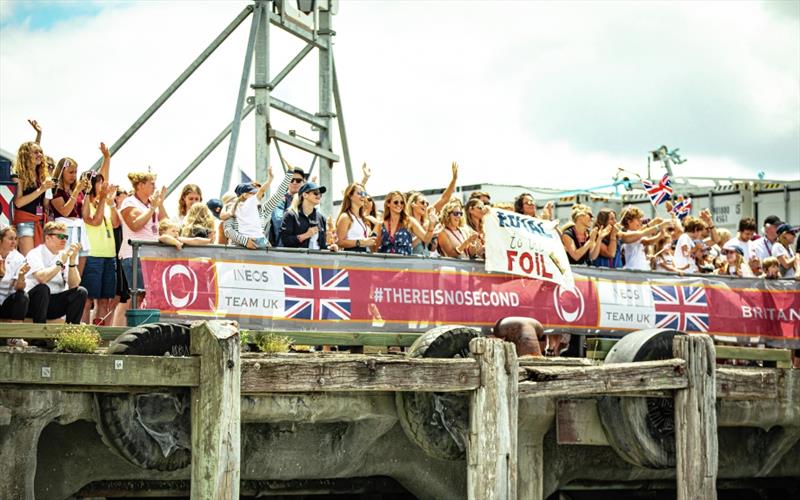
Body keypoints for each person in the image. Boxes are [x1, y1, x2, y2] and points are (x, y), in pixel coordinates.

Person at [24, 222, 88, 324]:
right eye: (60, 236)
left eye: (66, 237)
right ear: (47, 238)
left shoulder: (63, 255)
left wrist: (71, 262)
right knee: (43, 289)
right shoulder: (35, 253)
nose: (64, 240)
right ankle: (39, 338)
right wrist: (60, 263)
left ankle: (72, 333)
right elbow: (42, 279)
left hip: (53, 303)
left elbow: (74, 284)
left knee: (81, 292)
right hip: (33, 304)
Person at [81, 167, 120, 325]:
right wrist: (104, 198)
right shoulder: (86, 204)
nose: (104, 186)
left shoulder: (105, 204)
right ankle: (82, 334)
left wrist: (111, 204)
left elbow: (116, 224)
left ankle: (99, 338)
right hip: (93, 255)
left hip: (109, 255)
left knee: (104, 300)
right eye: (100, 183)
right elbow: (94, 221)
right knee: (87, 299)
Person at [119, 172, 168, 295]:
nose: (155, 187)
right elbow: (135, 225)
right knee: (139, 297)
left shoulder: (152, 203)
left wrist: (160, 204)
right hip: (134, 255)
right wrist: (152, 208)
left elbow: (166, 225)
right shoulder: (129, 202)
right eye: (151, 184)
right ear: (140, 185)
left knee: (149, 297)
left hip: (151, 256)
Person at [11, 141, 54, 255]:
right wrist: (41, 189)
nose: (40, 154)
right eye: (36, 152)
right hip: (25, 223)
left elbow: (45, 204)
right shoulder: (18, 176)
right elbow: (18, 203)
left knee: (38, 262)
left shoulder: (40, 176)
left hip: (39, 222)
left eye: (41, 152)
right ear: (26, 155)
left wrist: (48, 190)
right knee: (29, 262)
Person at [51, 156, 92, 266]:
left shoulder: (76, 190)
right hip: (65, 230)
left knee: (78, 271)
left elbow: (85, 214)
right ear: (61, 171)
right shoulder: (55, 190)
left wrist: (87, 193)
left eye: (75, 172)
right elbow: (65, 211)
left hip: (79, 229)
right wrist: (77, 191)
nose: (74, 175)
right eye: (70, 172)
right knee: (65, 267)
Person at [278, 182, 335, 250]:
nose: (319, 196)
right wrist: (305, 235)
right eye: (315, 193)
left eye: (320, 194)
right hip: (297, 259)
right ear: (305, 195)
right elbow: (285, 240)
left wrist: (330, 248)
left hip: (318, 259)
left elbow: (322, 245)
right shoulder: (290, 215)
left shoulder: (321, 218)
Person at [374, 191, 427, 256]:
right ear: (388, 203)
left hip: (404, 263)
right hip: (385, 263)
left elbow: (426, 238)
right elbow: (374, 248)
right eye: (396, 202)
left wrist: (431, 228)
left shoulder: (409, 221)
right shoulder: (381, 224)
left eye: (402, 202)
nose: (399, 204)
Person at [619, 206, 672, 271]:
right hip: (634, 271)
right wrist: (660, 227)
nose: (640, 222)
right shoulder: (630, 234)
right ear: (629, 222)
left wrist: (656, 225)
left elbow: (642, 231)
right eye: (638, 220)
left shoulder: (635, 232)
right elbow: (648, 240)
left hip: (639, 270)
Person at [231, 171, 274, 249]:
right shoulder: (251, 201)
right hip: (258, 238)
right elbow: (262, 190)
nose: (257, 195)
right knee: (271, 252)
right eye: (253, 193)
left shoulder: (235, 206)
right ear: (245, 195)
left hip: (245, 240)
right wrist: (270, 179)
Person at [269, 167, 308, 246]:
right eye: (291, 180)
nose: (294, 182)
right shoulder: (279, 201)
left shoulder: (309, 201)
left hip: (305, 252)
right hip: (282, 250)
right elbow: (279, 223)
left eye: (298, 180)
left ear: (304, 182)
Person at [0, 227, 30, 321]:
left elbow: (18, 287)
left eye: (15, 239)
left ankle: (17, 331)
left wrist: (21, 276)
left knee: (22, 296)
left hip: (6, 302)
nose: (14, 242)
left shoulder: (19, 258)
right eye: (10, 239)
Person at [335, 183, 376, 252]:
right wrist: (361, 242)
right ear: (350, 196)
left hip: (365, 258)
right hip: (351, 259)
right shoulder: (345, 217)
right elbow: (339, 242)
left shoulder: (363, 219)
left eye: (364, 193)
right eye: (359, 193)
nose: (363, 196)